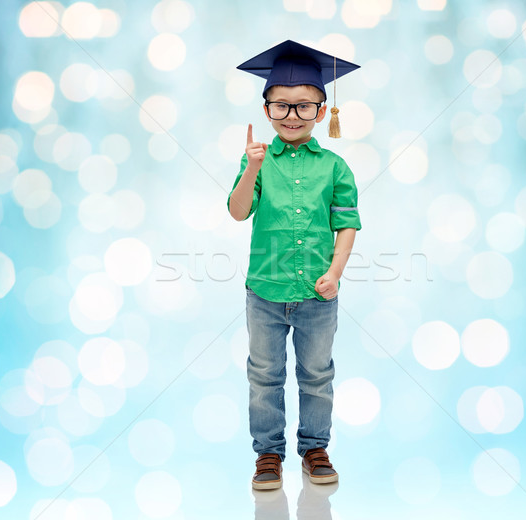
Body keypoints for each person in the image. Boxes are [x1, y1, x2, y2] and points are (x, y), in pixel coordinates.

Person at [227, 40, 362, 490]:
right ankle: (268, 454)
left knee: (317, 373)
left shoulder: (335, 166)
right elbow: (237, 211)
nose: (291, 115)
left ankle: (315, 448)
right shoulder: (259, 163)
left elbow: (347, 225)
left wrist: (336, 273)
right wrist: (250, 168)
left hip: (318, 294)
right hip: (265, 290)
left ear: (323, 111)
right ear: (267, 109)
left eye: (304, 106)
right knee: (264, 374)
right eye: (281, 106)